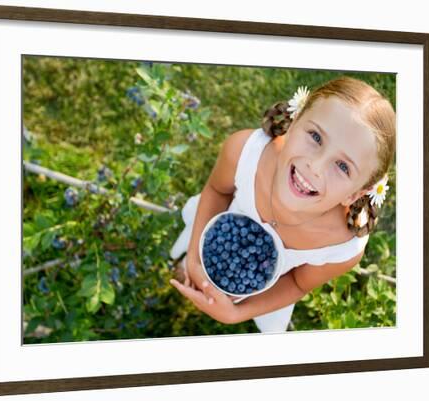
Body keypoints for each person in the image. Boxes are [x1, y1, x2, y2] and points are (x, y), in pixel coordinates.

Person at [168, 76, 396, 333]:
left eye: (343, 166)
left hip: (266, 289)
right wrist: (198, 257)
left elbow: (298, 283)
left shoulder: (342, 247)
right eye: (316, 137)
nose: (315, 167)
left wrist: (236, 313)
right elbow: (216, 191)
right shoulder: (244, 153)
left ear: (355, 194)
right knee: (188, 266)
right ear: (294, 122)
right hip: (218, 234)